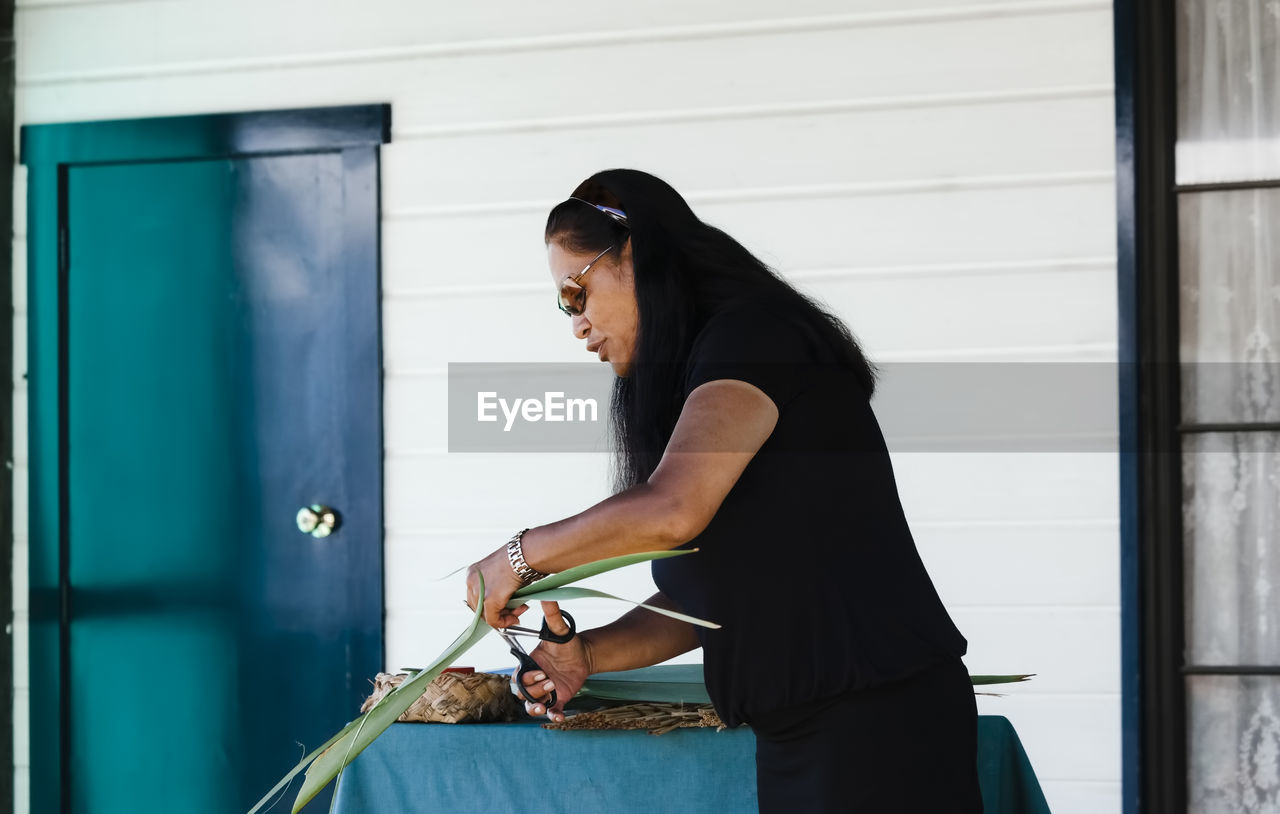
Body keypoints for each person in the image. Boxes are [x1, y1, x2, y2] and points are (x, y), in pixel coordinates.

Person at [465, 169, 983, 812]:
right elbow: (717, 602)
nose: (577, 322)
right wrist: (587, 654)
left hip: (875, 722)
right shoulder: (714, 363)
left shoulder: (755, 339)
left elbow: (673, 509)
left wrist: (518, 555)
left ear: (636, 254)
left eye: (577, 291)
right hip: (811, 726)